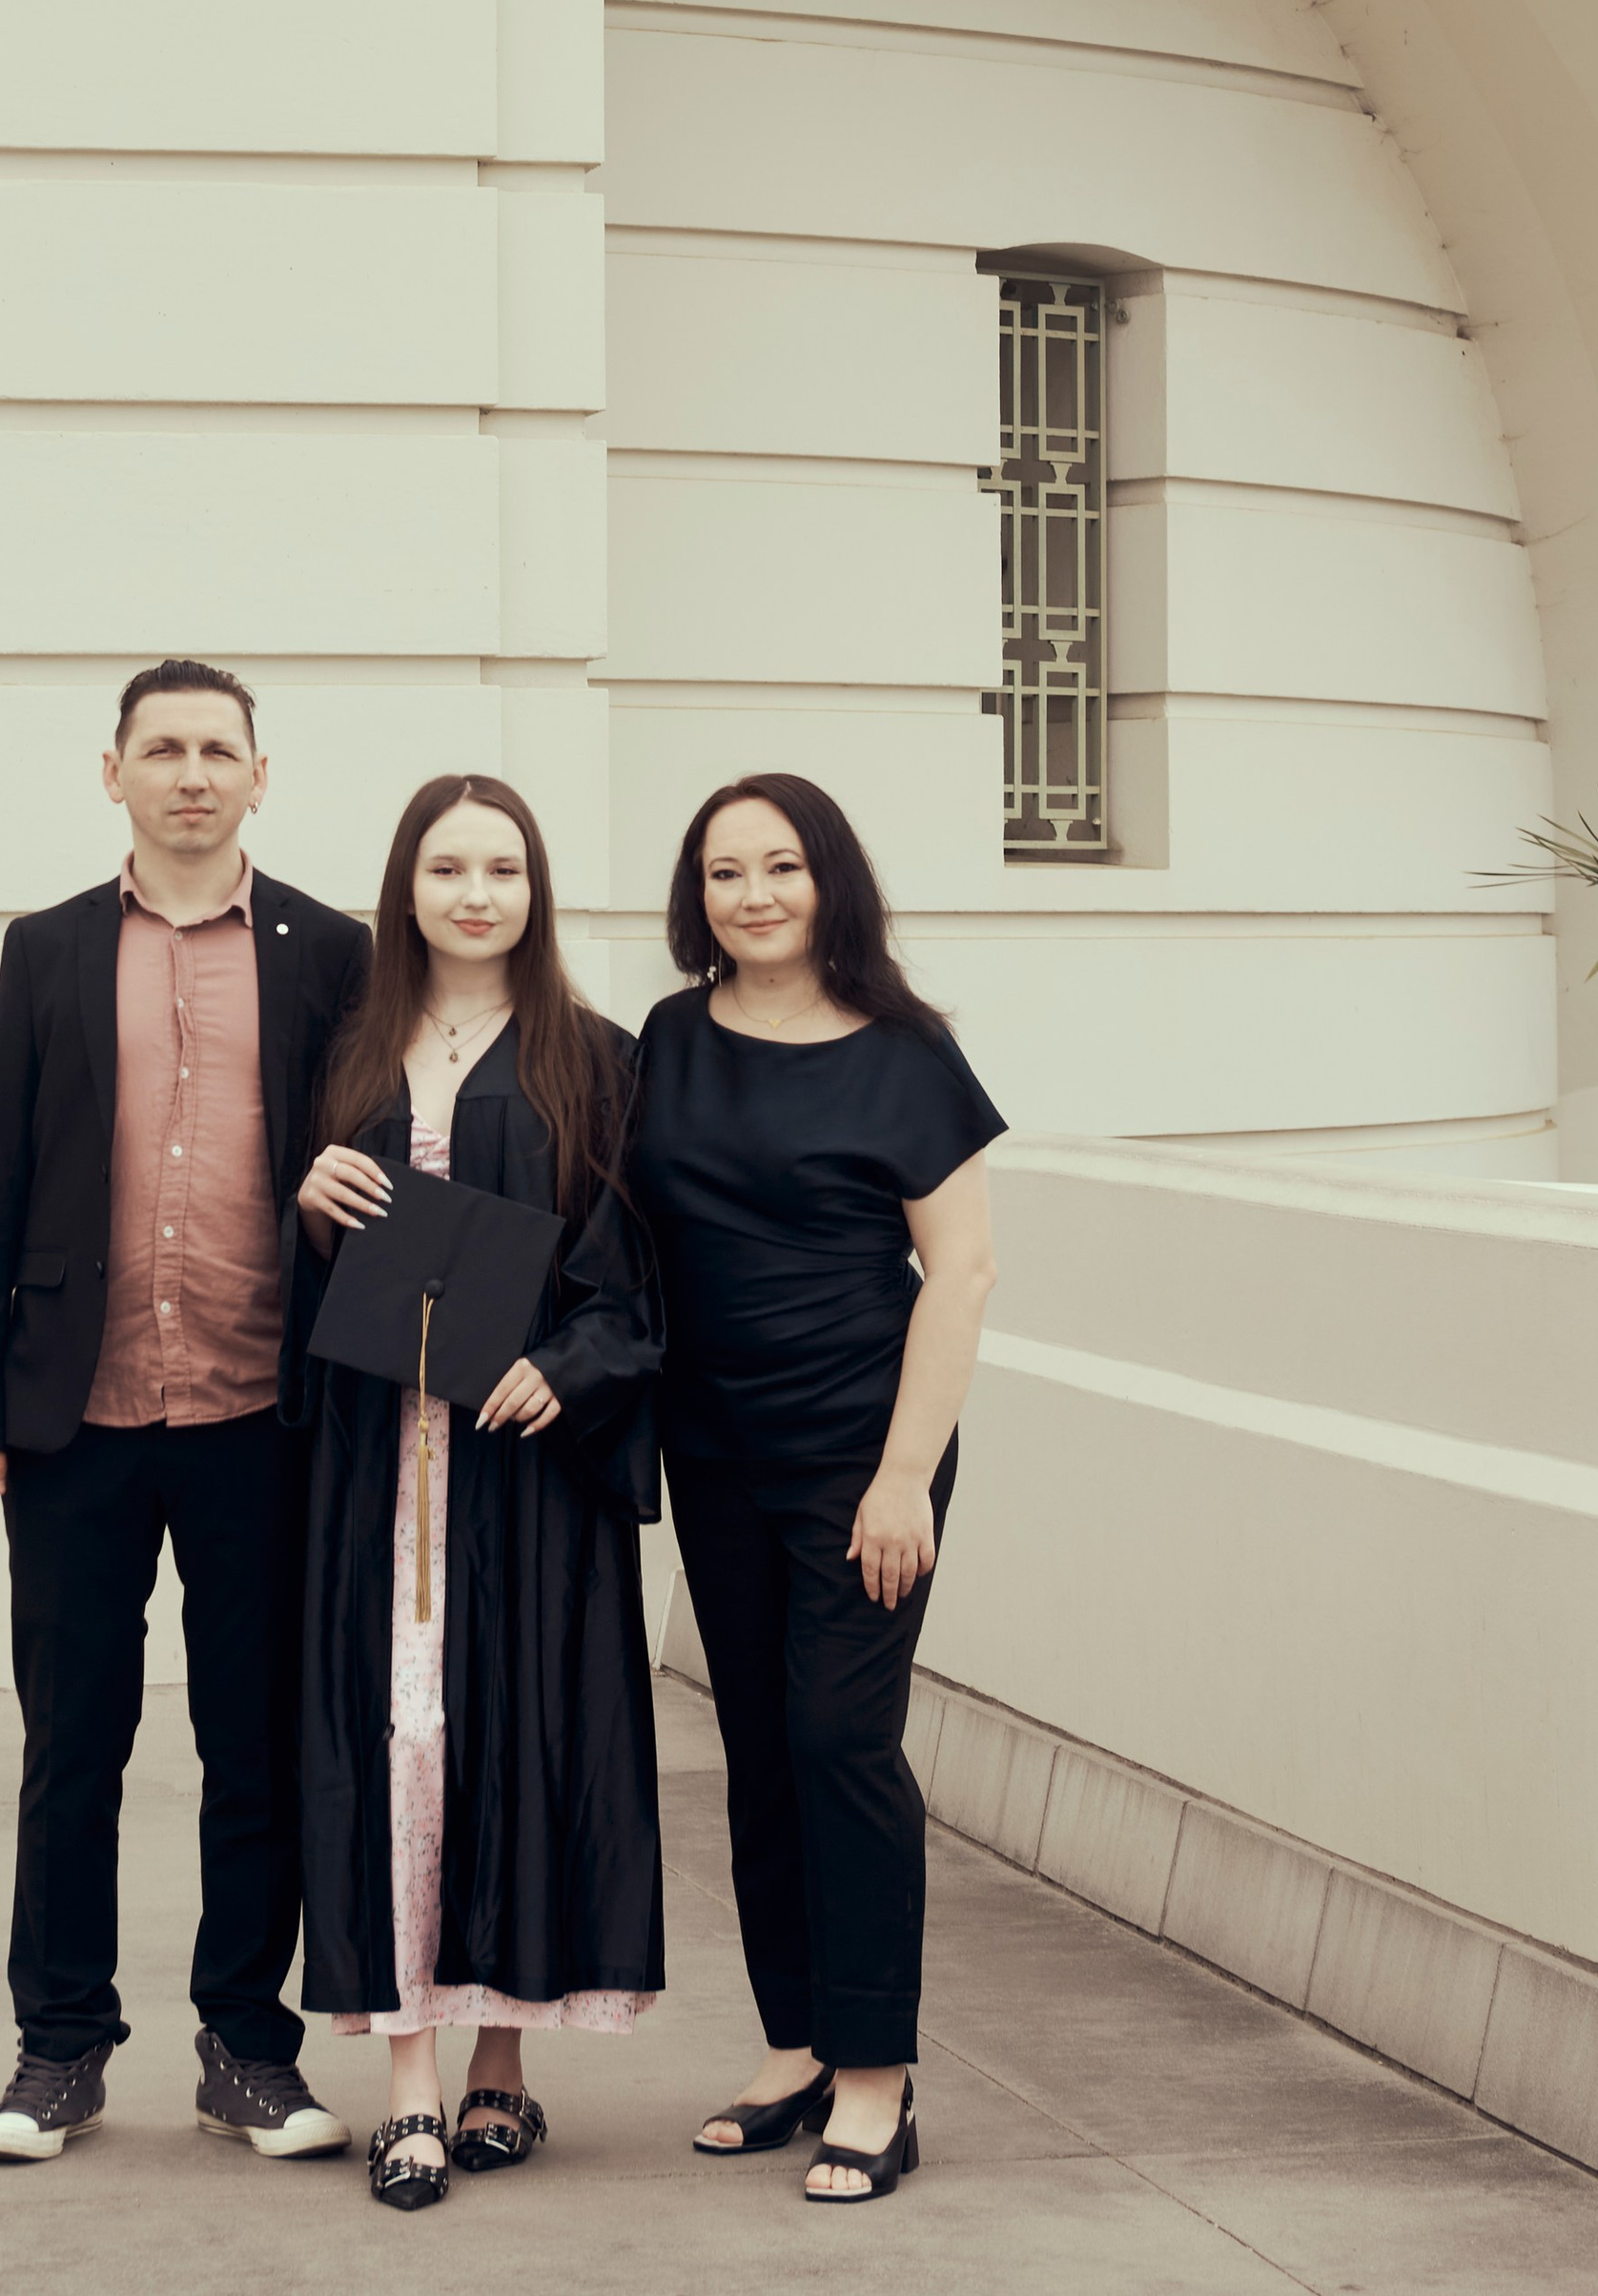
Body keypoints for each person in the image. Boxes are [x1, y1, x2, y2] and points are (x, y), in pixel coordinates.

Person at [0, 660, 370, 2167]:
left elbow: (389, 1161)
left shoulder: (336, 952)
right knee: (76, 1743)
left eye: (219, 750)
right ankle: (58, 2052)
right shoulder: (47, 949)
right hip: (79, 1414)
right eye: (164, 748)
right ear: (110, 771)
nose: (193, 773)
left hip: (268, 1413)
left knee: (257, 1749)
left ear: (262, 776)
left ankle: (248, 2048)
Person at [290, 774, 664, 2212]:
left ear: (535, 887)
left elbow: (638, 1276)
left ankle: (505, 2065)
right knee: (396, 1740)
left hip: (523, 1467)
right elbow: (300, 1255)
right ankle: (407, 2088)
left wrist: (571, 1366)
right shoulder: (347, 1055)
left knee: (521, 1734)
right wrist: (309, 1204)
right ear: (408, 887)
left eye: (501, 866)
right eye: (446, 866)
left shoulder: (595, 1060)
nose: (474, 892)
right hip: (377, 1464)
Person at [634, 775, 1002, 2207]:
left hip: (862, 1457)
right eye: (725, 873)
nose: (753, 894)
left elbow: (960, 1272)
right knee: (761, 1752)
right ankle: (793, 2047)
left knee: (843, 1744)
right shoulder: (670, 1038)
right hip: (711, 1452)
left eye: (779, 865)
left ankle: (876, 2080)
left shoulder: (907, 1055)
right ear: (699, 897)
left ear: (827, 879)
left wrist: (905, 1474)